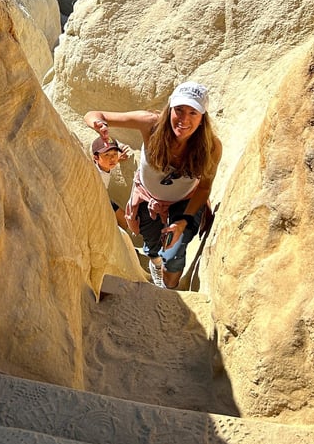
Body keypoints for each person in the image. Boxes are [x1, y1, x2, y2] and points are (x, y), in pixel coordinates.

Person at [84, 81, 222, 289]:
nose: (184, 119)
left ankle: (170, 290)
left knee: (174, 256)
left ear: (203, 118)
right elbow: (94, 114)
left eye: (193, 113)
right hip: (148, 198)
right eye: (179, 110)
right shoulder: (151, 124)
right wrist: (99, 125)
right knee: (153, 247)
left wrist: (184, 221)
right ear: (169, 109)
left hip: (185, 203)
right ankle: (156, 266)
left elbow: (203, 188)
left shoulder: (210, 146)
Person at [91, 135, 130, 231]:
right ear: (96, 157)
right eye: (107, 155)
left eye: (114, 154)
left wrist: (118, 159)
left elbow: (110, 160)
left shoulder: (105, 165)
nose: (112, 158)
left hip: (104, 198)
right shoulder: (94, 172)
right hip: (95, 202)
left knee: (125, 220)